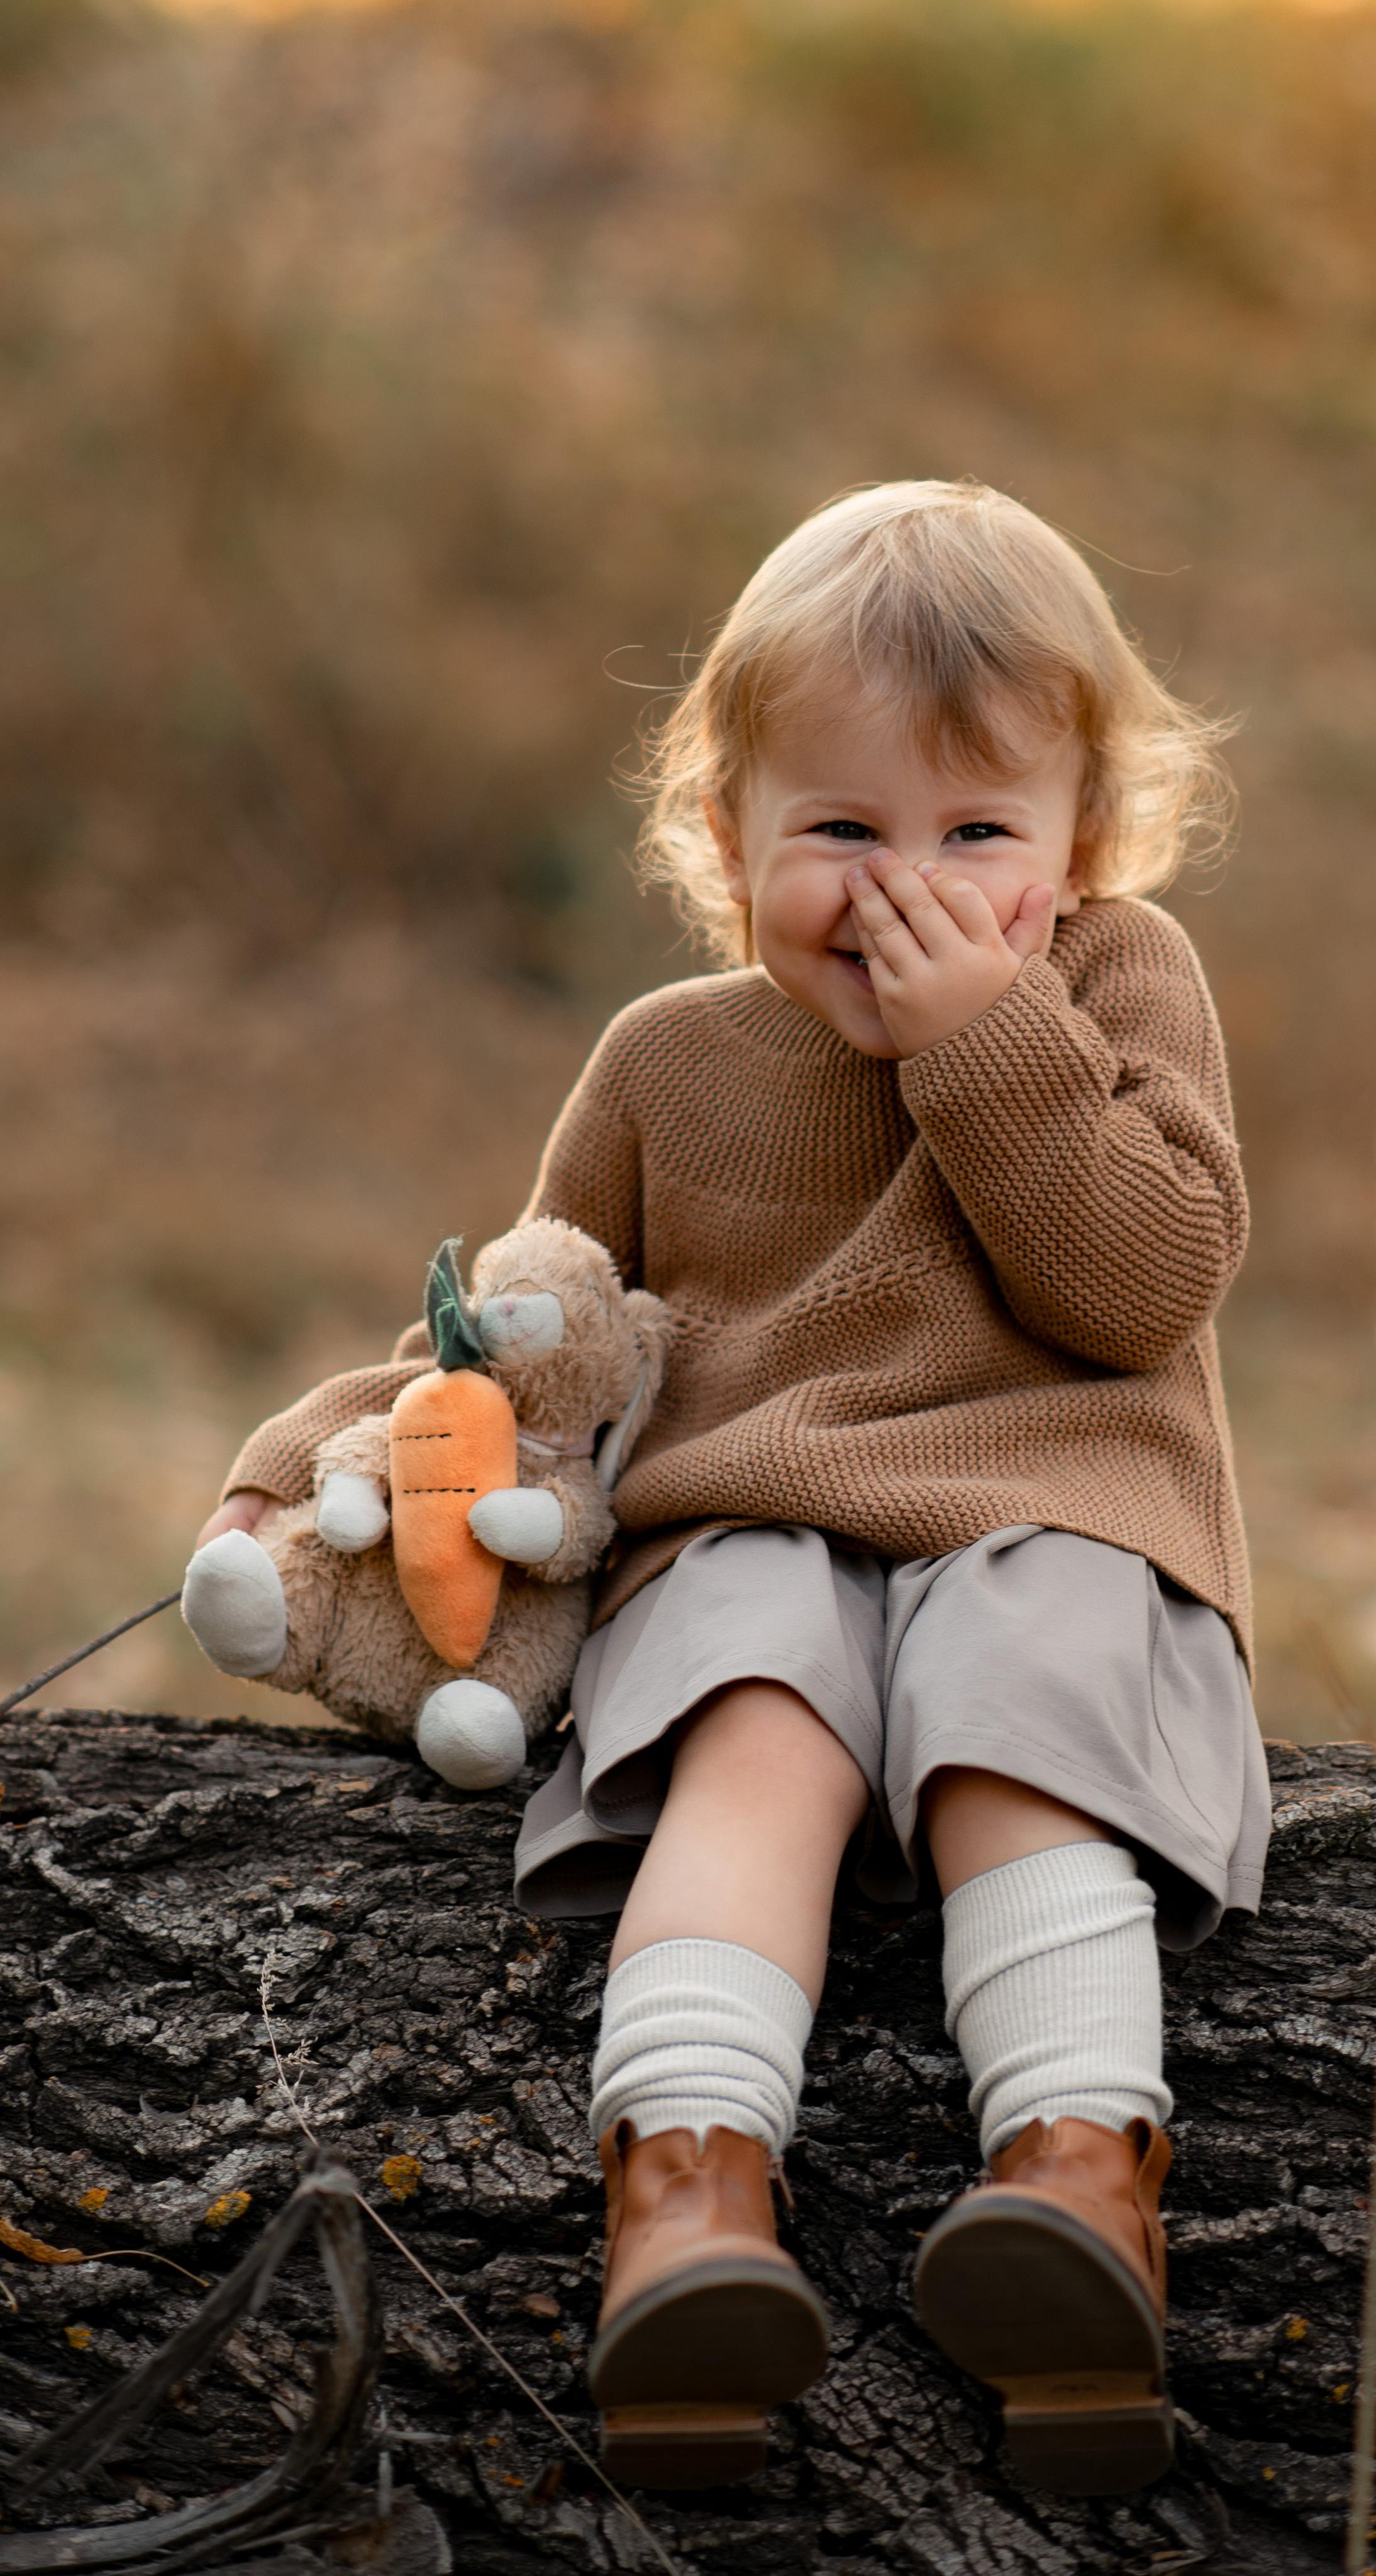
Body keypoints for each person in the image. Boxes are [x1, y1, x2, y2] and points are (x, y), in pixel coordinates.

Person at [196, 480, 1269, 2497]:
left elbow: (1141, 1287)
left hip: (1048, 1500)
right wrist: (289, 1480)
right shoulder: (668, 1061)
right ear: (729, 839)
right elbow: (522, 1336)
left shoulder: (1122, 986)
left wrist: (993, 1047)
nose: (907, 890)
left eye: (980, 837)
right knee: (752, 1729)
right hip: (745, 1530)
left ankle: (1075, 2182)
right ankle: (686, 2197)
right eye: (842, 831)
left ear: (1085, 846)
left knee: (1024, 1724)